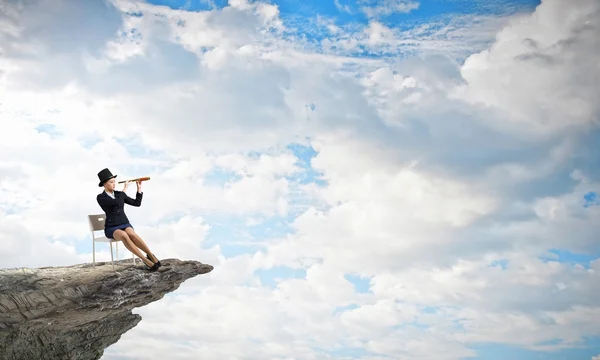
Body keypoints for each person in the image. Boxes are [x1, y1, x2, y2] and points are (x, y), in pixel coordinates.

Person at [96, 168, 161, 271]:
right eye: (111, 182)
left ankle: (151, 256)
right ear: (104, 184)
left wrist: (139, 189)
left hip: (124, 223)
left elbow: (137, 203)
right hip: (112, 227)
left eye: (114, 182)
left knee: (132, 234)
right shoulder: (100, 197)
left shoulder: (119, 194)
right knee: (124, 236)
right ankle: (144, 259)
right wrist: (125, 189)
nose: (114, 184)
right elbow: (115, 203)